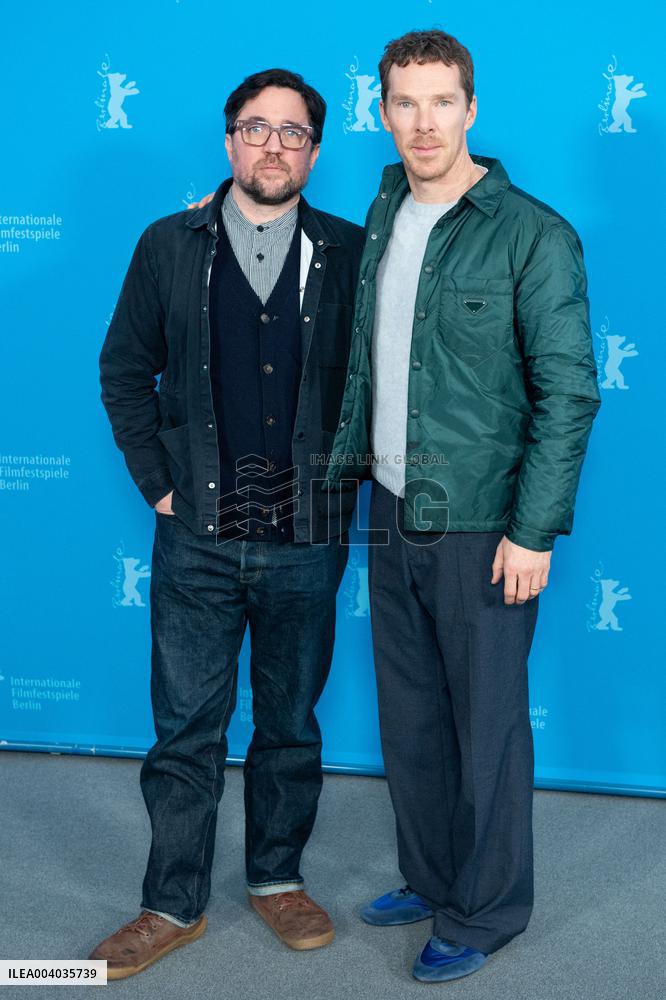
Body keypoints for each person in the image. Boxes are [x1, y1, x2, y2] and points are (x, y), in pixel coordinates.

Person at [321, 29, 602, 983]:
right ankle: (434, 874)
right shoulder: (385, 210)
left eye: (442, 101)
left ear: (472, 108)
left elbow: (569, 394)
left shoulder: (533, 234)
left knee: (487, 727)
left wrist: (532, 530)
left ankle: (484, 913)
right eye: (405, 102)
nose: (424, 122)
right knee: (412, 718)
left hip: (486, 523)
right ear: (382, 112)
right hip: (394, 506)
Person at [93, 68, 364, 979]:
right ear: (228, 140)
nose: (272, 146)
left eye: (293, 132)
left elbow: (383, 381)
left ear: (314, 152)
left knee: (289, 723)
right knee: (186, 731)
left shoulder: (351, 250)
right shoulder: (167, 245)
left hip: (307, 539)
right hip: (197, 538)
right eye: (256, 128)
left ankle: (277, 880)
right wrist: (157, 484)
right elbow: (124, 370)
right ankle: (171, 904)